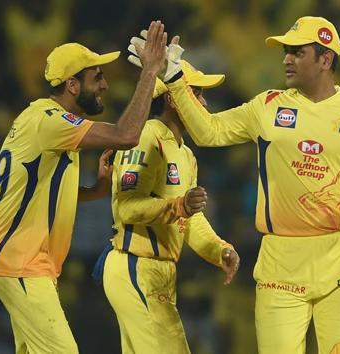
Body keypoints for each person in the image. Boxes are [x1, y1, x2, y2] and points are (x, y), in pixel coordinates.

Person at [147, 16, 340, 354]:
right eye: (286, 52)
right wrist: (175, 79)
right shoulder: (267, 106)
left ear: (325, 59)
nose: (286, 59)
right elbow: (208, 132)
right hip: (279, 265)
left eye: (297, 52)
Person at [0, 21, 170, 353]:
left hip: (19, 262)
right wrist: (149, 72)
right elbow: (126, 135)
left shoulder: (42, 121)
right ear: (71, 84)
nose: (106, 85)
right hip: (21, 263)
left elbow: (38, 195)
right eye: (97, 77)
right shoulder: (51, 122)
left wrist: (96, 189)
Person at [97, 60, 240, 354]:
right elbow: (127, 208)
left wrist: (218, 249)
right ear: (173, 99)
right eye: (197, 93)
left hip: (159, 271)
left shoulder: (186, 154)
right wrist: (179, 205)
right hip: (135, 264)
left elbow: (188, 220)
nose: (203, 102)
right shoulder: (145, 137)